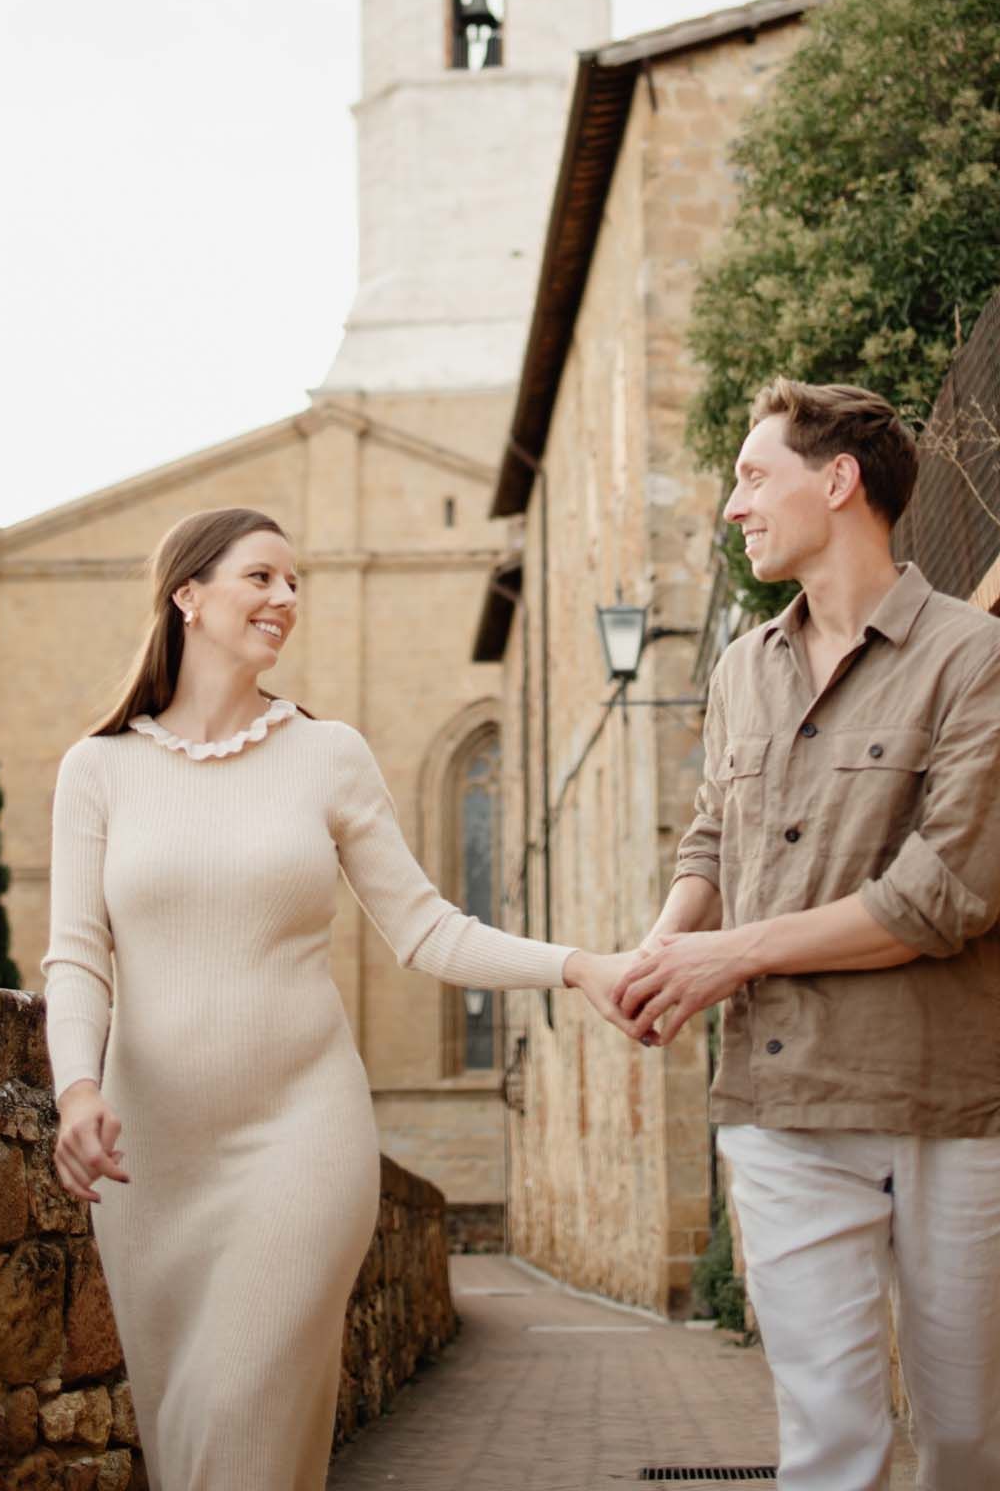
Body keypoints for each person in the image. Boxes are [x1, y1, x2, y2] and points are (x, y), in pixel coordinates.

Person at [43, 504, 630, 1491]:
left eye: (294, 582)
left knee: (238, 1420)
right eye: (260, 578)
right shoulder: (98, 770)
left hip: (298, 1142)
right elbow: (76, 957)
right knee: (195, 1447)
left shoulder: (327, 755)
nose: (285, 599)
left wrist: (576, 966)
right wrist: (74, 1092)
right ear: (186, 594)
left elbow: (427, 928)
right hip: (152, 1162)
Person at [615, 380, 1000, 1491]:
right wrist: (665, 951)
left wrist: (732, 956)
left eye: (754, 477)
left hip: (946, 1101)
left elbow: (940, 895)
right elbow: (711, 840)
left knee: (969, 1443)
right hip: (782, 1108)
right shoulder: (740, 670)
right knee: (829, 1449)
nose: (731, 507)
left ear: (838, 480)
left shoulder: (977, 658)